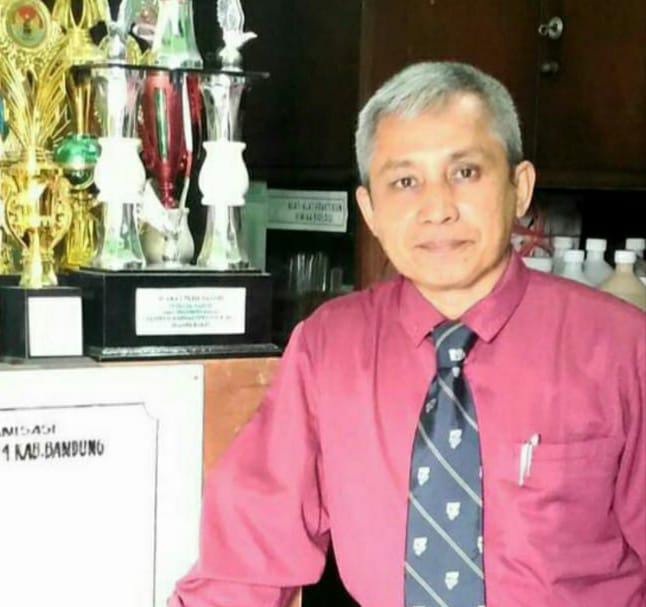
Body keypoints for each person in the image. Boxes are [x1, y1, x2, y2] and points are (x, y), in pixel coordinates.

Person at [170, 62, 646, 606]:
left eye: (465, 172)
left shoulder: (622, 349)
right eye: (405, 182)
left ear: (519, 188)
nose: (437, 209)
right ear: (370, 210)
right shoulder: (329, 349)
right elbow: (244, 564)